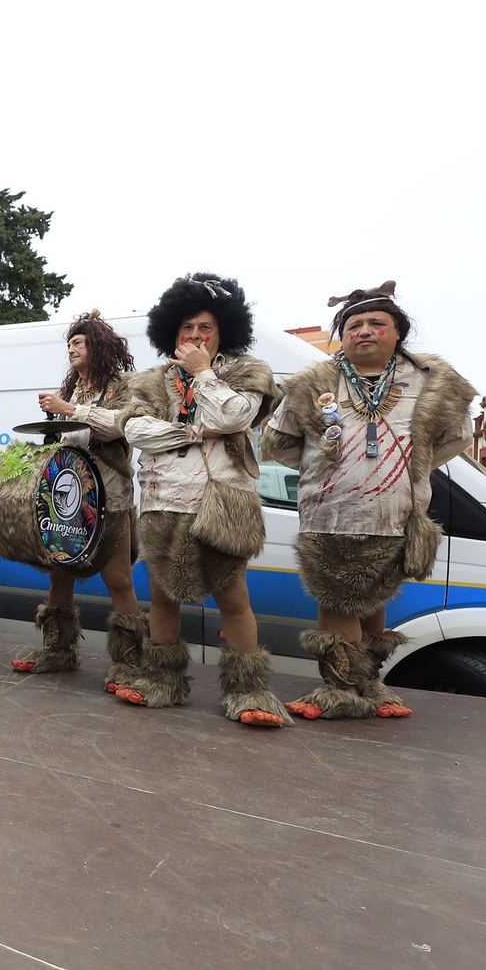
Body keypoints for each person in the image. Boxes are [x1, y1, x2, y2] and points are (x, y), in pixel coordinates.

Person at [262, 281, 475, 719]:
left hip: (397, 514)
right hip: (330, 513)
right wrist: (325, 466)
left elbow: (456, 438)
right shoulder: (315, 382)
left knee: (374, 600)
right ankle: (342, 690)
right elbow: (278, 441)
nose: (364, 331)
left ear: (398, 332)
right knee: (337, 600)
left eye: (376, 323)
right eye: (353, 324)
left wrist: (406, 469)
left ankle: (367, 687)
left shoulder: (434, 383)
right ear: (342, 335)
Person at [114, 273, 290, 728]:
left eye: (205, 329)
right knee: (162, 596)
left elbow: (232, 416)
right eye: (186, 329)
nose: (194, 337)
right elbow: (134, 430)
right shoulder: (150, 380)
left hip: (223, 503)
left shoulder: (250, 372)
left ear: (223, 332)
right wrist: (191, 431)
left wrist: (203, 374)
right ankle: (163, 682)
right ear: (171, 332)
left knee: (233, 598)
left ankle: (250, 690)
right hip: (161, 500)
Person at [5, 312, 146, 688]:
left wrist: (68, 410)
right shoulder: (71, 389)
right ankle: (59, 650)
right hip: (70, 500)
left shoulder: (124, 385)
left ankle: (130, 662)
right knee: (59, 575)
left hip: (110, 497)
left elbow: (121, 424)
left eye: (78, 343)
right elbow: (66, 440)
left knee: (118, 578)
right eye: (69, 344)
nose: (71, 349)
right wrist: (54, 419)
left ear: (98, 346)